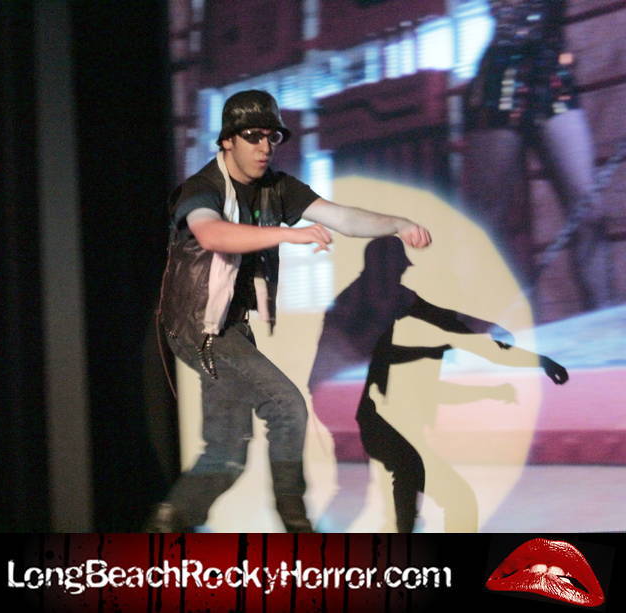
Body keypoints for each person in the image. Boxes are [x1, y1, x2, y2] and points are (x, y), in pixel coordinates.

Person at [147, 90, 431, 532]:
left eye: (271, 137)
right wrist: (289, 235)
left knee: (226, 452)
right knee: (286, 406)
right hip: (197, 327)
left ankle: (169, 524)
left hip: (228, 328)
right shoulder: (202, 188)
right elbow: (212, 235)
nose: (264, 147)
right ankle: (295, 520)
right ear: (227, 141)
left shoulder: (276, 188)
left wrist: (397, 224)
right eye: (252, 136)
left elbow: (343, 218)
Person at [309, 236, 569, 532]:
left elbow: (441, 375)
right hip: (389, 428)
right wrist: (537, 361)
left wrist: (498, 376)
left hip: (387, 426)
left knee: (403, 510)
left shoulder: (398, 310)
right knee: (455, 500)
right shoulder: (403, 316)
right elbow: (471, 345)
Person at [463, 0, 612, 311]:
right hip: (502, 75)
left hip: (552, 70)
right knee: (487, 219)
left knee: (589, 213)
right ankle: (497, 323)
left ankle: (604, 320)